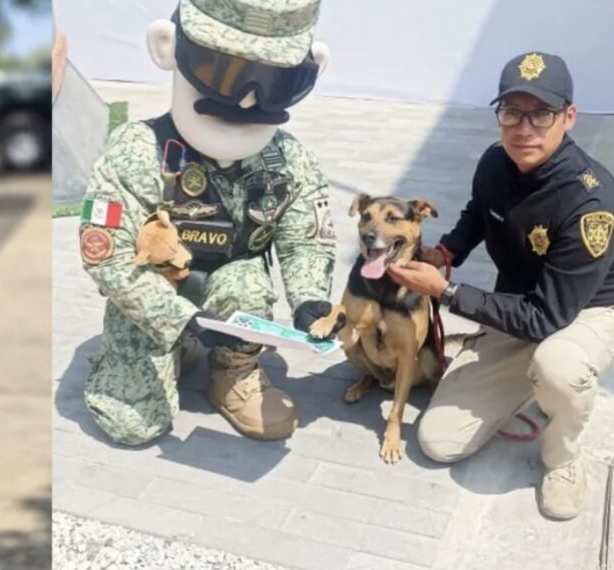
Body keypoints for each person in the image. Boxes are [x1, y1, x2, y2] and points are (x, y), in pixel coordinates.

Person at [78, 0, 337, 446]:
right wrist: (178, 319)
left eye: (275, 81)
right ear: (167, 48)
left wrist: (310, 299)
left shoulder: (288, 160)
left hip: (233, 292)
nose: (247, 100)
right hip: (156, 296)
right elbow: (110, 258)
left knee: (248, 283)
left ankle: (231, 371)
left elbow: (305, 240)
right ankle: (161, 349)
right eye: (223, 73)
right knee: (133, 426)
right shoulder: (139, 150)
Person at [389, 51, 614, 521]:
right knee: (438, 441)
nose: (523, 128)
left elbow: (549, 318)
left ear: (569, 117)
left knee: (559, 364)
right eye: (512, 112)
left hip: (587, 310)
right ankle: (527, 373)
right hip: (521, 305)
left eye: (541, 114)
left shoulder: (591, 202)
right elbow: (478, 213)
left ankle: (563, 457)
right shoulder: (495, 162)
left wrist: (446, 293)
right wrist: (445, 254)